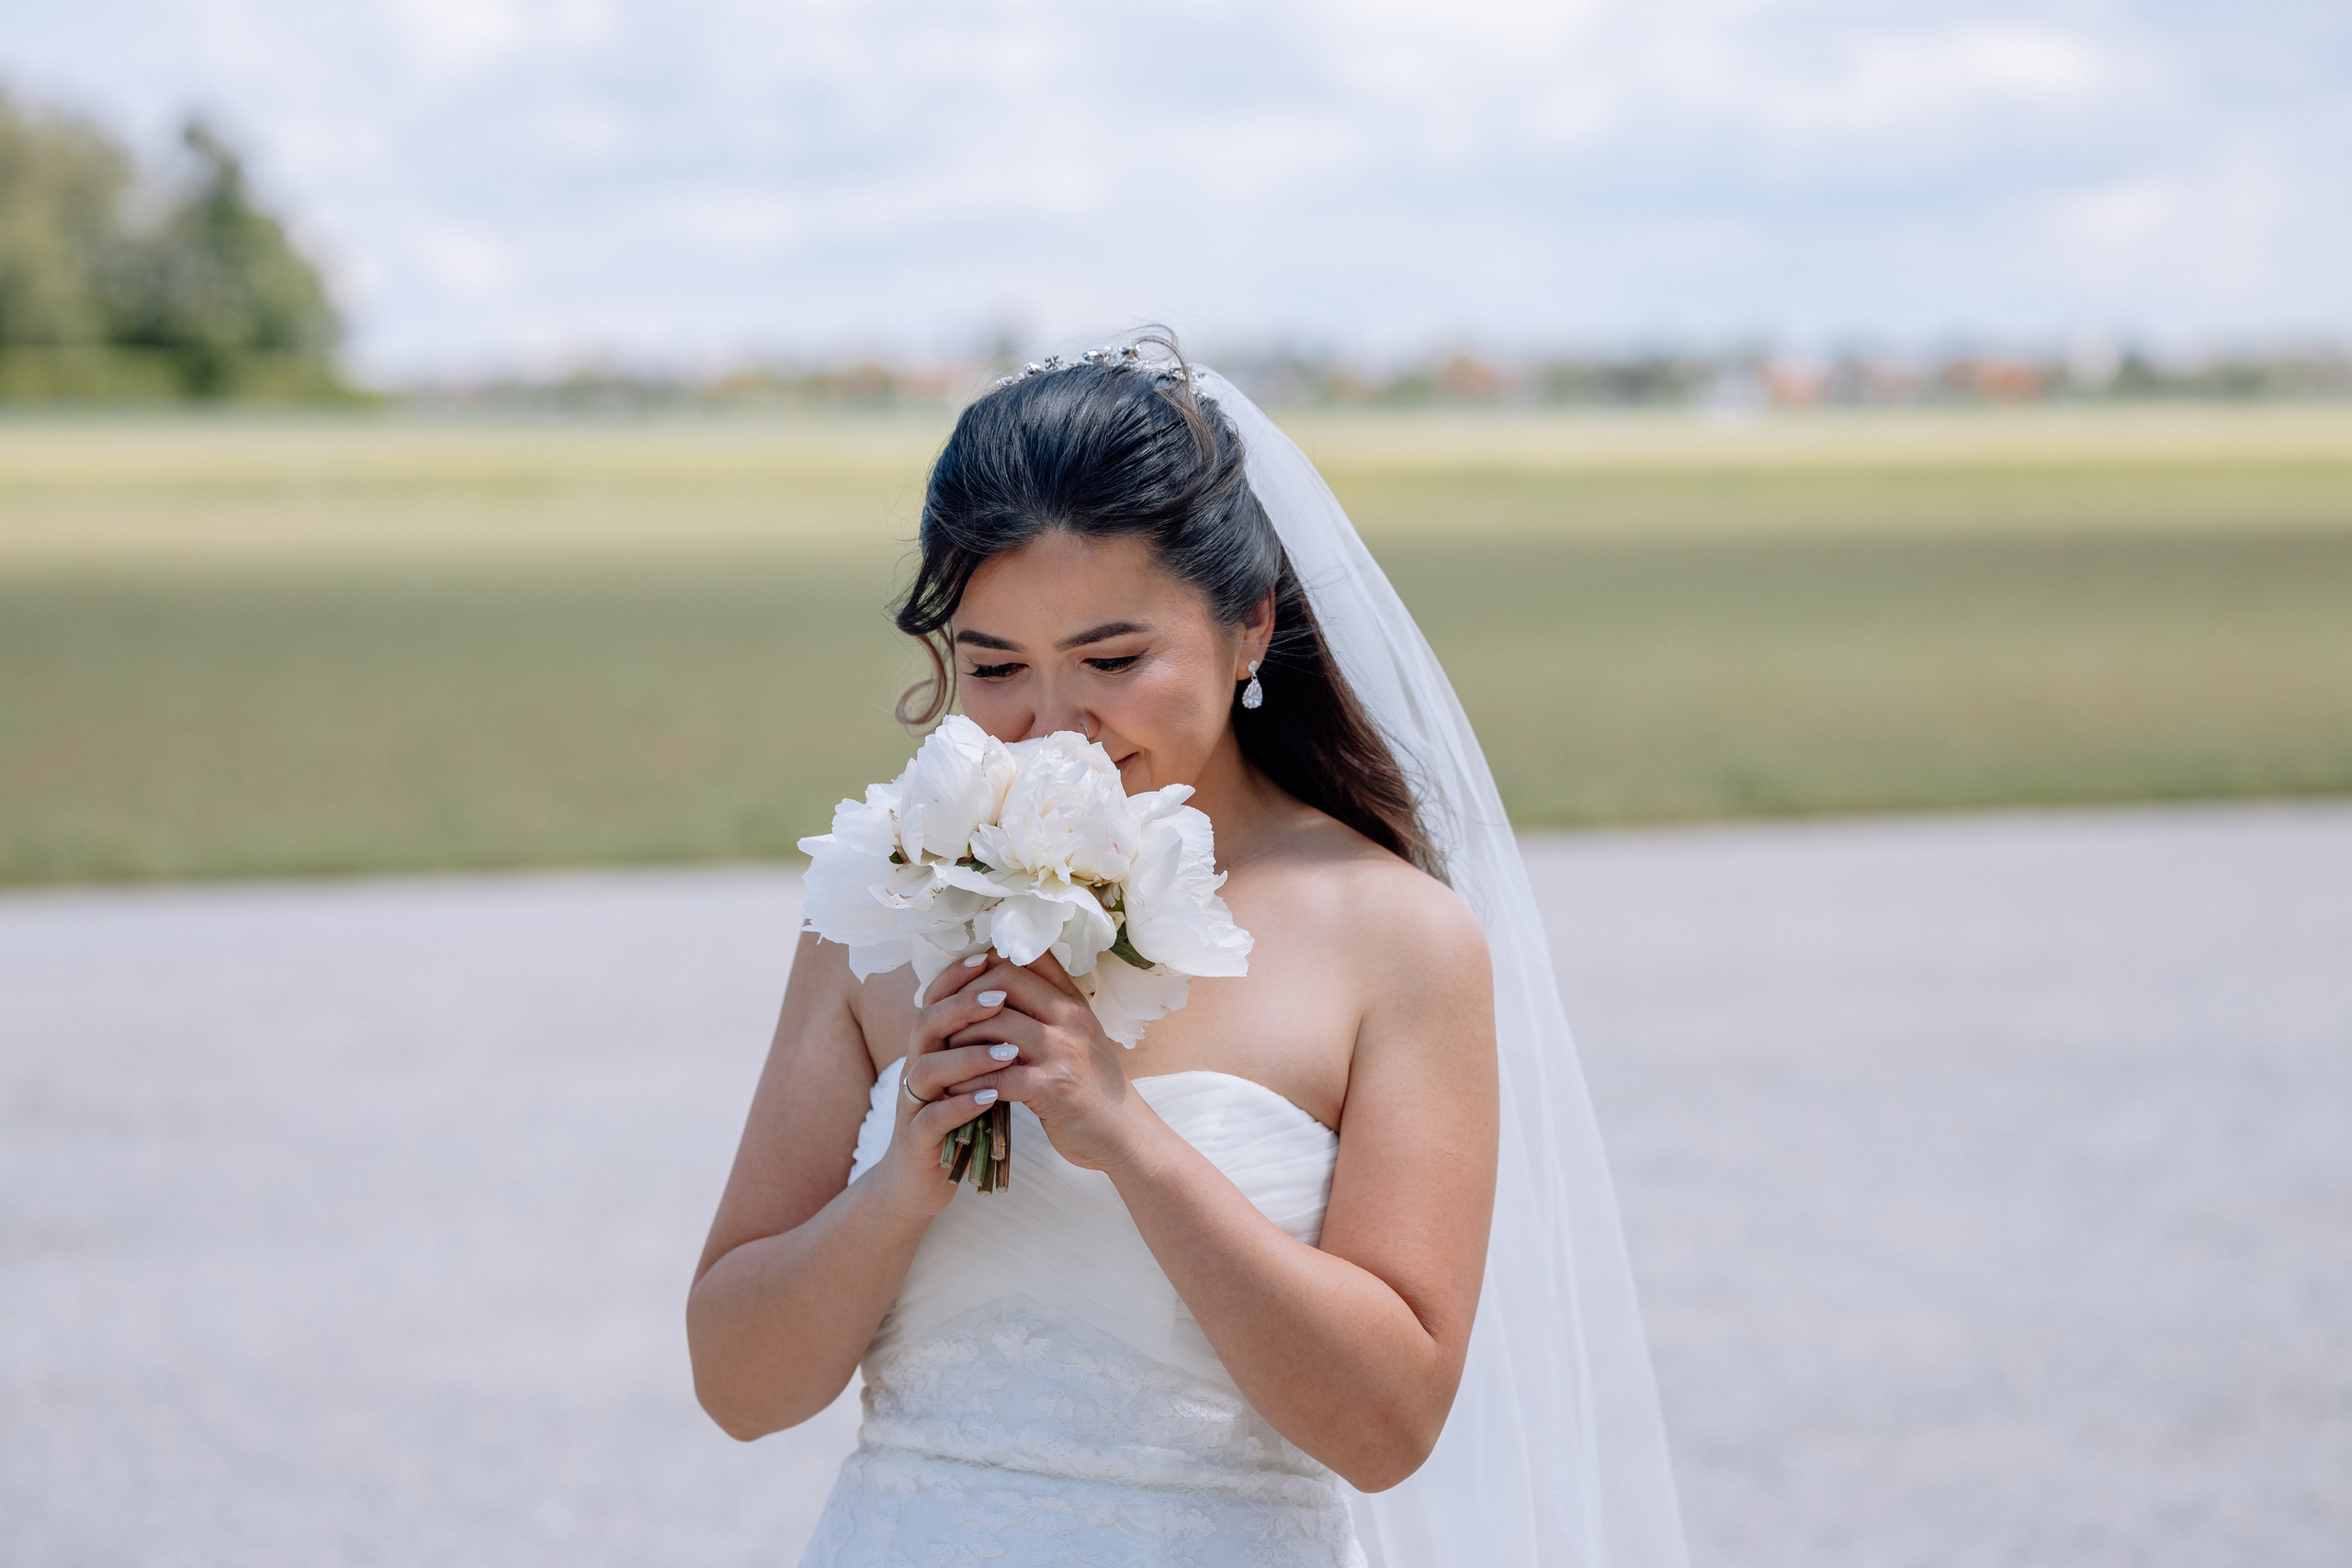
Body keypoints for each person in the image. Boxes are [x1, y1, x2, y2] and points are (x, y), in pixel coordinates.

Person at [687, 338, 1687, 1567]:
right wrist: (900, 1186)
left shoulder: (1393, 939)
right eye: (996, 668)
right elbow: (738, 1388)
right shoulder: (884, 900)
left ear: (1250, 625)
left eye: (1113, 661)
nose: (1056, 724)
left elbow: (1388, 1428)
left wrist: (1125, 1137)